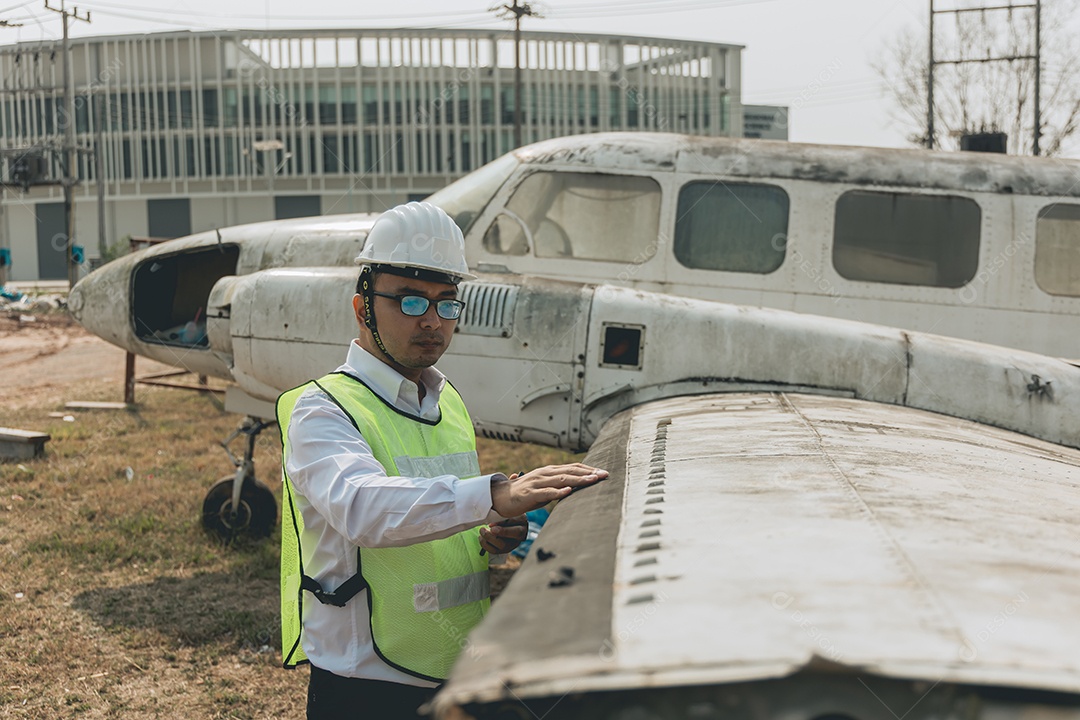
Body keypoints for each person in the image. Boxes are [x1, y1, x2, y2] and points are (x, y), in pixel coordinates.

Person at [276, 201, 608, 719]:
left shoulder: (445, 398)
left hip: (456, 663)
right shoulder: (322, 410)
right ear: (363, 308)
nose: (432, 321)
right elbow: (362, 507)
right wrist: (494, 494)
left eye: (446, 303)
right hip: (367, 684)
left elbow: (438, 510)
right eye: (410, 302)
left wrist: (490, 532)